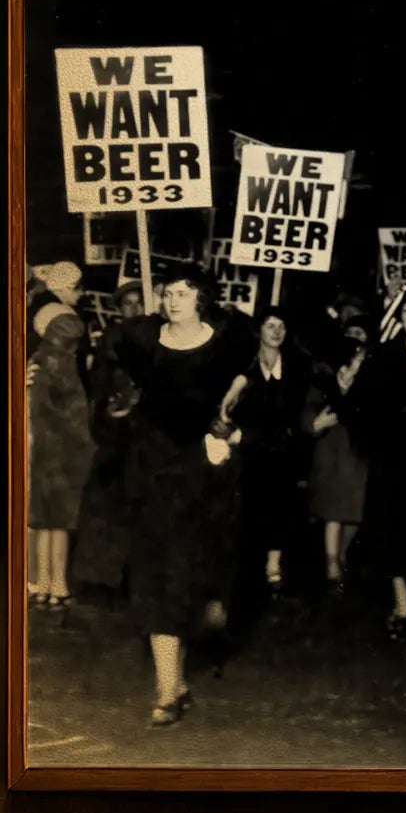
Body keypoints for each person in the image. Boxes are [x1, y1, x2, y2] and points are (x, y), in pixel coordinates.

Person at [109, 269, 253, 727]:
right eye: (168, 293)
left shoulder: (225, 344)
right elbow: (124, 383)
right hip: (153, 475)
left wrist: (229, 430)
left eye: (183, 293)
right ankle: (167, 689)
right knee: (158, 579)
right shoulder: (144, 342)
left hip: (204, 480)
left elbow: (243, 396)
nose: (173, 300)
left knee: (195, 585)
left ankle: (185, 665)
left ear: (202, 299)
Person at [354, 292, 406, 638]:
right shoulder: (383, 355)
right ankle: (403, 605)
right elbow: (359, 406)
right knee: (391, 530)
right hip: (392, 461)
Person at [26, 263, 94, 609]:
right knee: (61, 510)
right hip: (60, 437)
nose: (81, 294)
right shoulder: (62, 351)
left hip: (40, 436)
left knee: (44, 510)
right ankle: (56, 583)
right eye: (78, 288)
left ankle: (42, 581)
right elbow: (73, 402)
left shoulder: (36, 359)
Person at [229, 306, 306, 603]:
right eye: (270, 325)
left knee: (280, 508)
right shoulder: (245, 366)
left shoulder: (295, 368)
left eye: (281, 326)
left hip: (280, 453)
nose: (276, 331)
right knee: (249, 508)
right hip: (247, 452)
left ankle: (273, 567)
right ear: (259, 331)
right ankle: (246, 570)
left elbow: (293, 414)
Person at [302, 319, 371, 593]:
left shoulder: (366, 388)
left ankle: (341, 555)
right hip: (330, 451)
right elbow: (309, 414)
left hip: (356, 455)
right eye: (356, 360)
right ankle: (331, 564)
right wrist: (315, 424)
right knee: (332, 509)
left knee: (354, 511)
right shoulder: (322, 383)